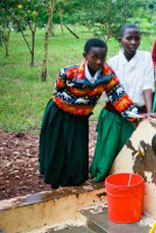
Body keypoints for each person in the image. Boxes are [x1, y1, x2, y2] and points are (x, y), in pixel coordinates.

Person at [39, 38, 138, 189]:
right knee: (58, 148)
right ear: (85, 56)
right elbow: (58, 90)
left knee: (76, 152)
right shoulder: (68, 73)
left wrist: (136, 116)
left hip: (80, 117)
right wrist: (73, 103)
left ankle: (73, 182)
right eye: (94, 57)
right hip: (60, 113)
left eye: (102, 57)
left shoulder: (108, 75)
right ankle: (55, 181)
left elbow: (119, 96)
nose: (99, 62)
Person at [90, 24, 155, 182]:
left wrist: (149, 111)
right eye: (129, 38)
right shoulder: (112, 63)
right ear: (121, 40)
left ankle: (128, 180)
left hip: (138, 112)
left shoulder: (146, 57)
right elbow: (111, 92)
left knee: (133, 153)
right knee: (109, 151)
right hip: (116, 112)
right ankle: (105, 178)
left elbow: (147, 86)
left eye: (137, 38)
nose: (133, 42)